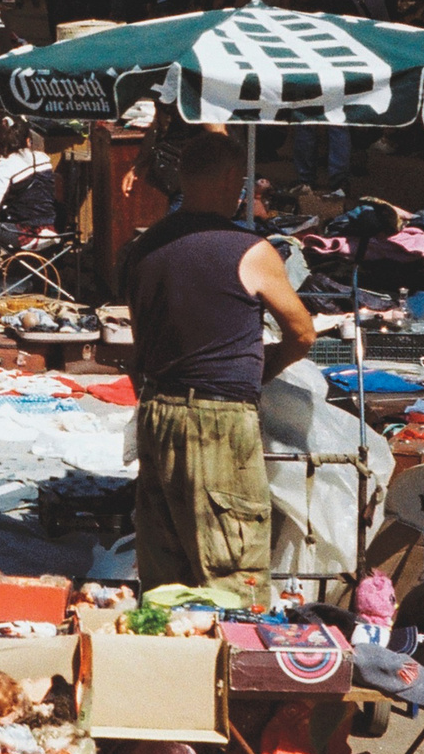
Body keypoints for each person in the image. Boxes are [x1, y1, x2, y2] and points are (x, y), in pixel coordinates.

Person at [123, 131, 317, 588]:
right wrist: (266, 366)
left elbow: (139, 341)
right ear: (232, 179)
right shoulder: (250, 250)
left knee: (164, 571)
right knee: (231, 572)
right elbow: (303, 332)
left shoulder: (143, 248)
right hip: (218, 421)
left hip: (157, 410)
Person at [0, 127, 63, 285]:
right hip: (52, 227)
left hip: (28, 232)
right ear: (27, 142)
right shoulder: (43, 158)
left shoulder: (5, 166)